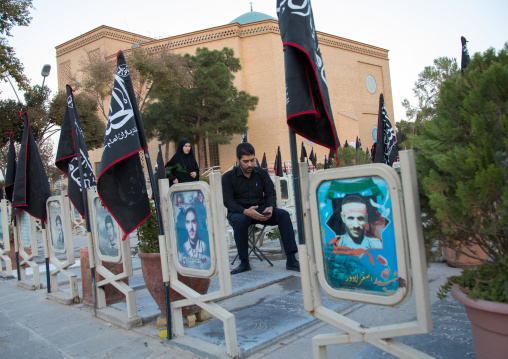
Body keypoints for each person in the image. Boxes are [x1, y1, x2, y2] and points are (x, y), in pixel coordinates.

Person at [222, 143, 300, 274]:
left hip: (261, 210)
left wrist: (270, 207)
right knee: (239, 221)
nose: (250, 164)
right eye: (245, 161)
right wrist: (246, 211)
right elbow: (228, 201)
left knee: (284, 215)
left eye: (252, 160)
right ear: (238, 160)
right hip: (239, 212)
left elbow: (270, 193)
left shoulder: (261, 173)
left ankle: (291, 260)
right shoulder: (228, 177)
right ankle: (244, 263)